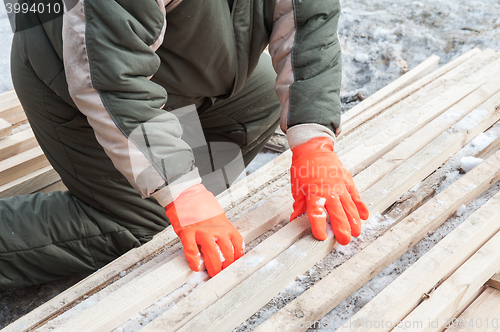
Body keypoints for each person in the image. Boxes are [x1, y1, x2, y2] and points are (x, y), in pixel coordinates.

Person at [0, 0, 369, 289]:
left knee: (263, 103)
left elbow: (309, 25)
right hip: (77, 79)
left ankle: (166, 187)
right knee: (138, 223)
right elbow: (113, 81)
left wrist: (313, 144)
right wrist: (180, 191)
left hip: (192, 68)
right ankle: (141, 204)